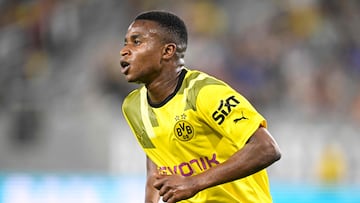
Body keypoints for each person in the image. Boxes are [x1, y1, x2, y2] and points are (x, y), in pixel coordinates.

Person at [120, 10, 281, 203]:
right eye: (125, 43)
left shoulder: (205, 93)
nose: (124, 51)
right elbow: (156, 160)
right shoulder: (133, 106)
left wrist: (194, 182)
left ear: (167, 51)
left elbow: (266, 148)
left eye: (136, 42)